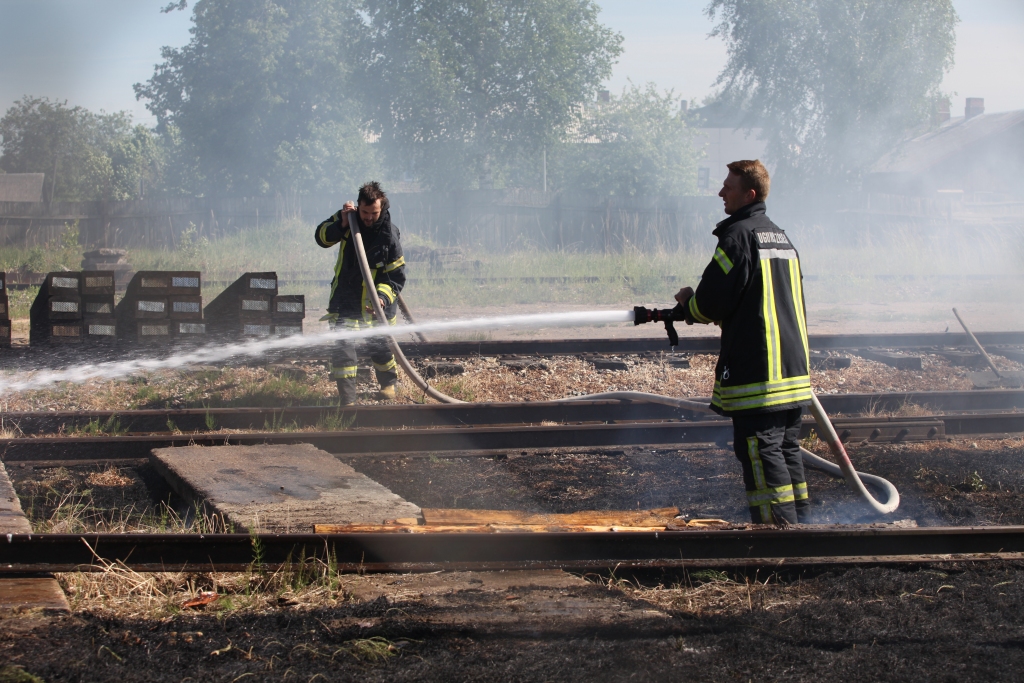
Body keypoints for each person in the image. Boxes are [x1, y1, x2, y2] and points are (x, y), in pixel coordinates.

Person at [674, 160, 813, 524]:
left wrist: (688, 302)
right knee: (785, 449)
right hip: (792, 370)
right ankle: (803, 526)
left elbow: (709, 303)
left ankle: (775, 532)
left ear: (749, 194)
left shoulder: (737, 237)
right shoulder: (780, 237)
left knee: (760, 449)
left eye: (728, 187)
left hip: (759, 373)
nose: (721, 193)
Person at [314, 181, 406, 405]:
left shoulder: (389, 236)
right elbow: (321, 238)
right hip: (348, 297)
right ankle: (348, 400)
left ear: (381, 208)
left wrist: (382, 299)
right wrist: (342, 225)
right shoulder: (348, 218)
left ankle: (388, 385)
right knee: (343, 348)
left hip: (378, 303)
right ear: (358, 206)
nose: (368, 217)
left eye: (373, 213)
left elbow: (395, 276)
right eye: (364, 212)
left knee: (380, 346)